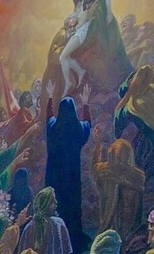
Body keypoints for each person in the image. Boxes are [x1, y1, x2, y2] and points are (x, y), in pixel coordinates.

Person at [44, 97, 92, 251]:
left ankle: (53, 237)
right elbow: (88, 124)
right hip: (71, 178)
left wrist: (50, 99)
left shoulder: (53, 128)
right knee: (72, 205)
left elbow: (49, 117)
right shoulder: (77, 130)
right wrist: (85, 104)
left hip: (54, 178)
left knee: (55, 203)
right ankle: (72, 238)